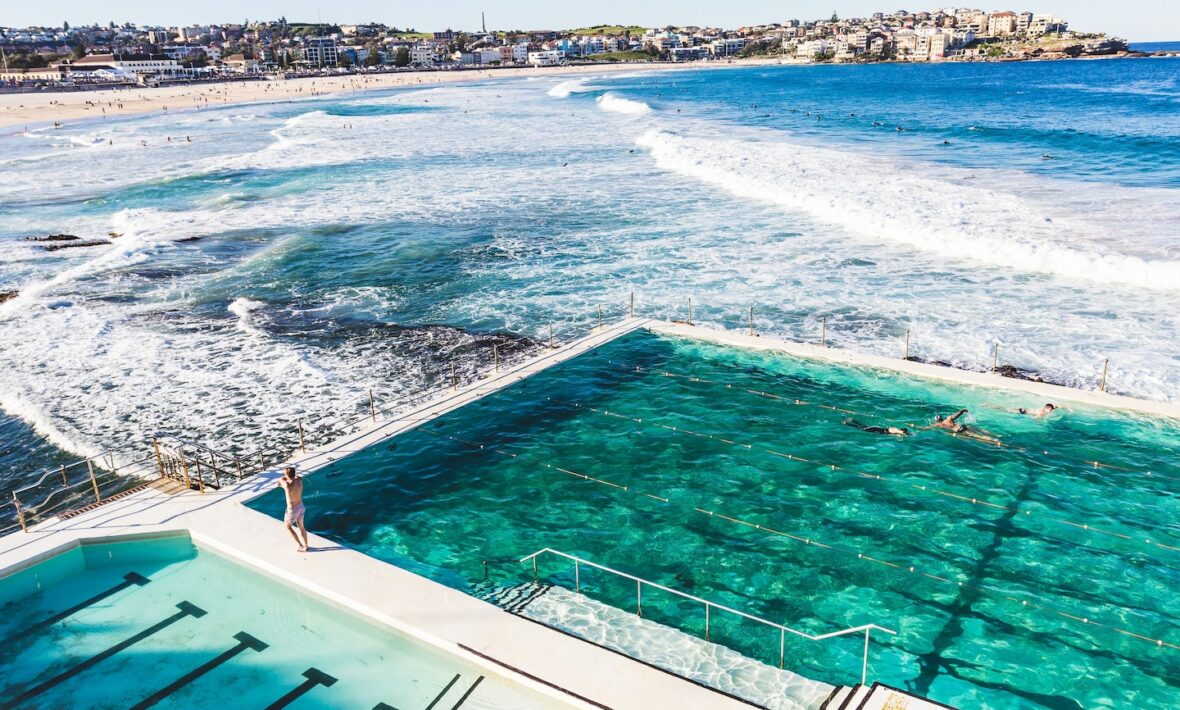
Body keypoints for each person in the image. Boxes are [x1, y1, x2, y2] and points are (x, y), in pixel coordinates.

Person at [277, 466, 309, 551]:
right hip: (301, 506)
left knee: (287, 526)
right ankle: (306, 545)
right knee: (301, 527)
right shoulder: (299, 480)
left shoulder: (286, 484)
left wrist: (284, 479)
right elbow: (293, 479)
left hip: (292, 510)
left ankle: (300, 545)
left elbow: (280, 479)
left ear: (286, 474)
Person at [844, 418, 909, 436]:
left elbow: (899, 433)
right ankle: (847, 423)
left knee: (863, 426)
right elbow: (895, 430)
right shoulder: (894, 430)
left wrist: (907, 434)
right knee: (861, 428)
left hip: (876, 429)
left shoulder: (895, 432)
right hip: (875, 429)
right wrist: (901, 432)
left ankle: (852, 420)